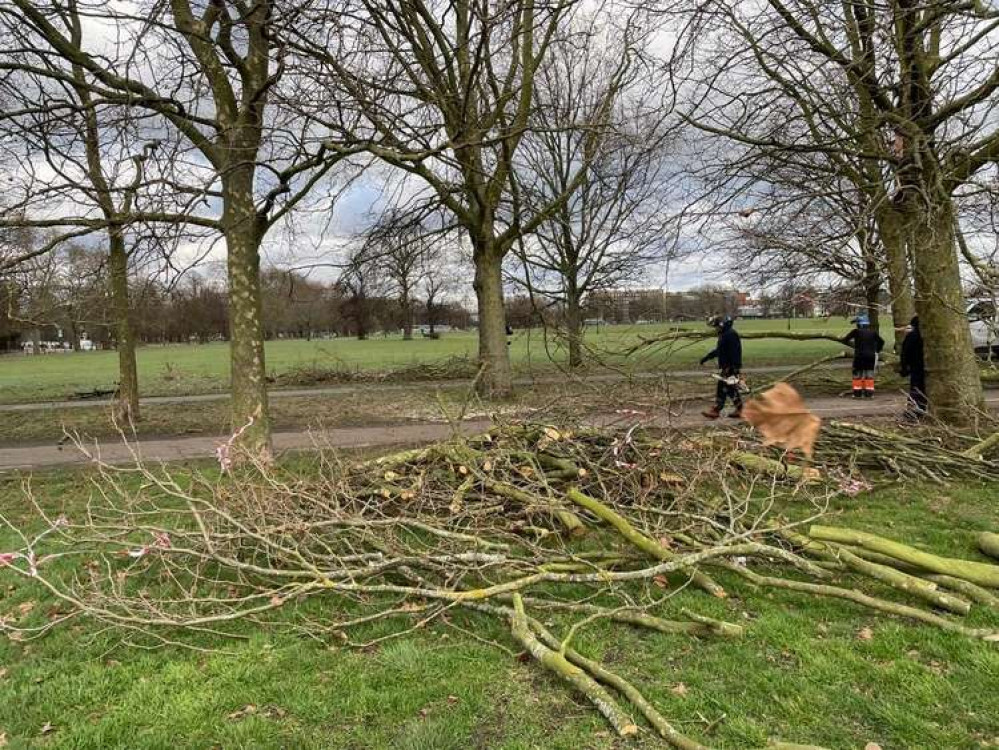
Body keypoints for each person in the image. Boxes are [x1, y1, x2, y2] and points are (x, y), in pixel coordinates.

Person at [700, 315, 743, 419]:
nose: (716, 329)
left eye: (716, 327)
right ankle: (740, 409)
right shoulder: (724, 334)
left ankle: (716, 410)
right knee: (730, 389)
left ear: (722, 325)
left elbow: (735, 352)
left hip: (730, 367)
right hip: (727, 366)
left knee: (722, 388)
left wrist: (733, 367)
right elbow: (719, 350)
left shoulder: (730, 334)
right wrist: (707, 357)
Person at [842, 314, 884, 398]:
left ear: (859, 324)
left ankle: (857, 393)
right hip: (870, 356)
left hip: (859, 356)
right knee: (869, 375)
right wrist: (877, 350)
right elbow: (881, 341)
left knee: (857, 375)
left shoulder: (856, 332)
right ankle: (869, 394)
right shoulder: (873, 332)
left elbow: (845, 339)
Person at [899, 315, 927, 418]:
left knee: (916, 389)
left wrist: (904, 367)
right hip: (924, 365)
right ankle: (921, 408)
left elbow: (905, 352)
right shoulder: (927, 336)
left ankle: (914, 411)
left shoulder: (912, 336)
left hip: (916, 366)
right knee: (923, 388)